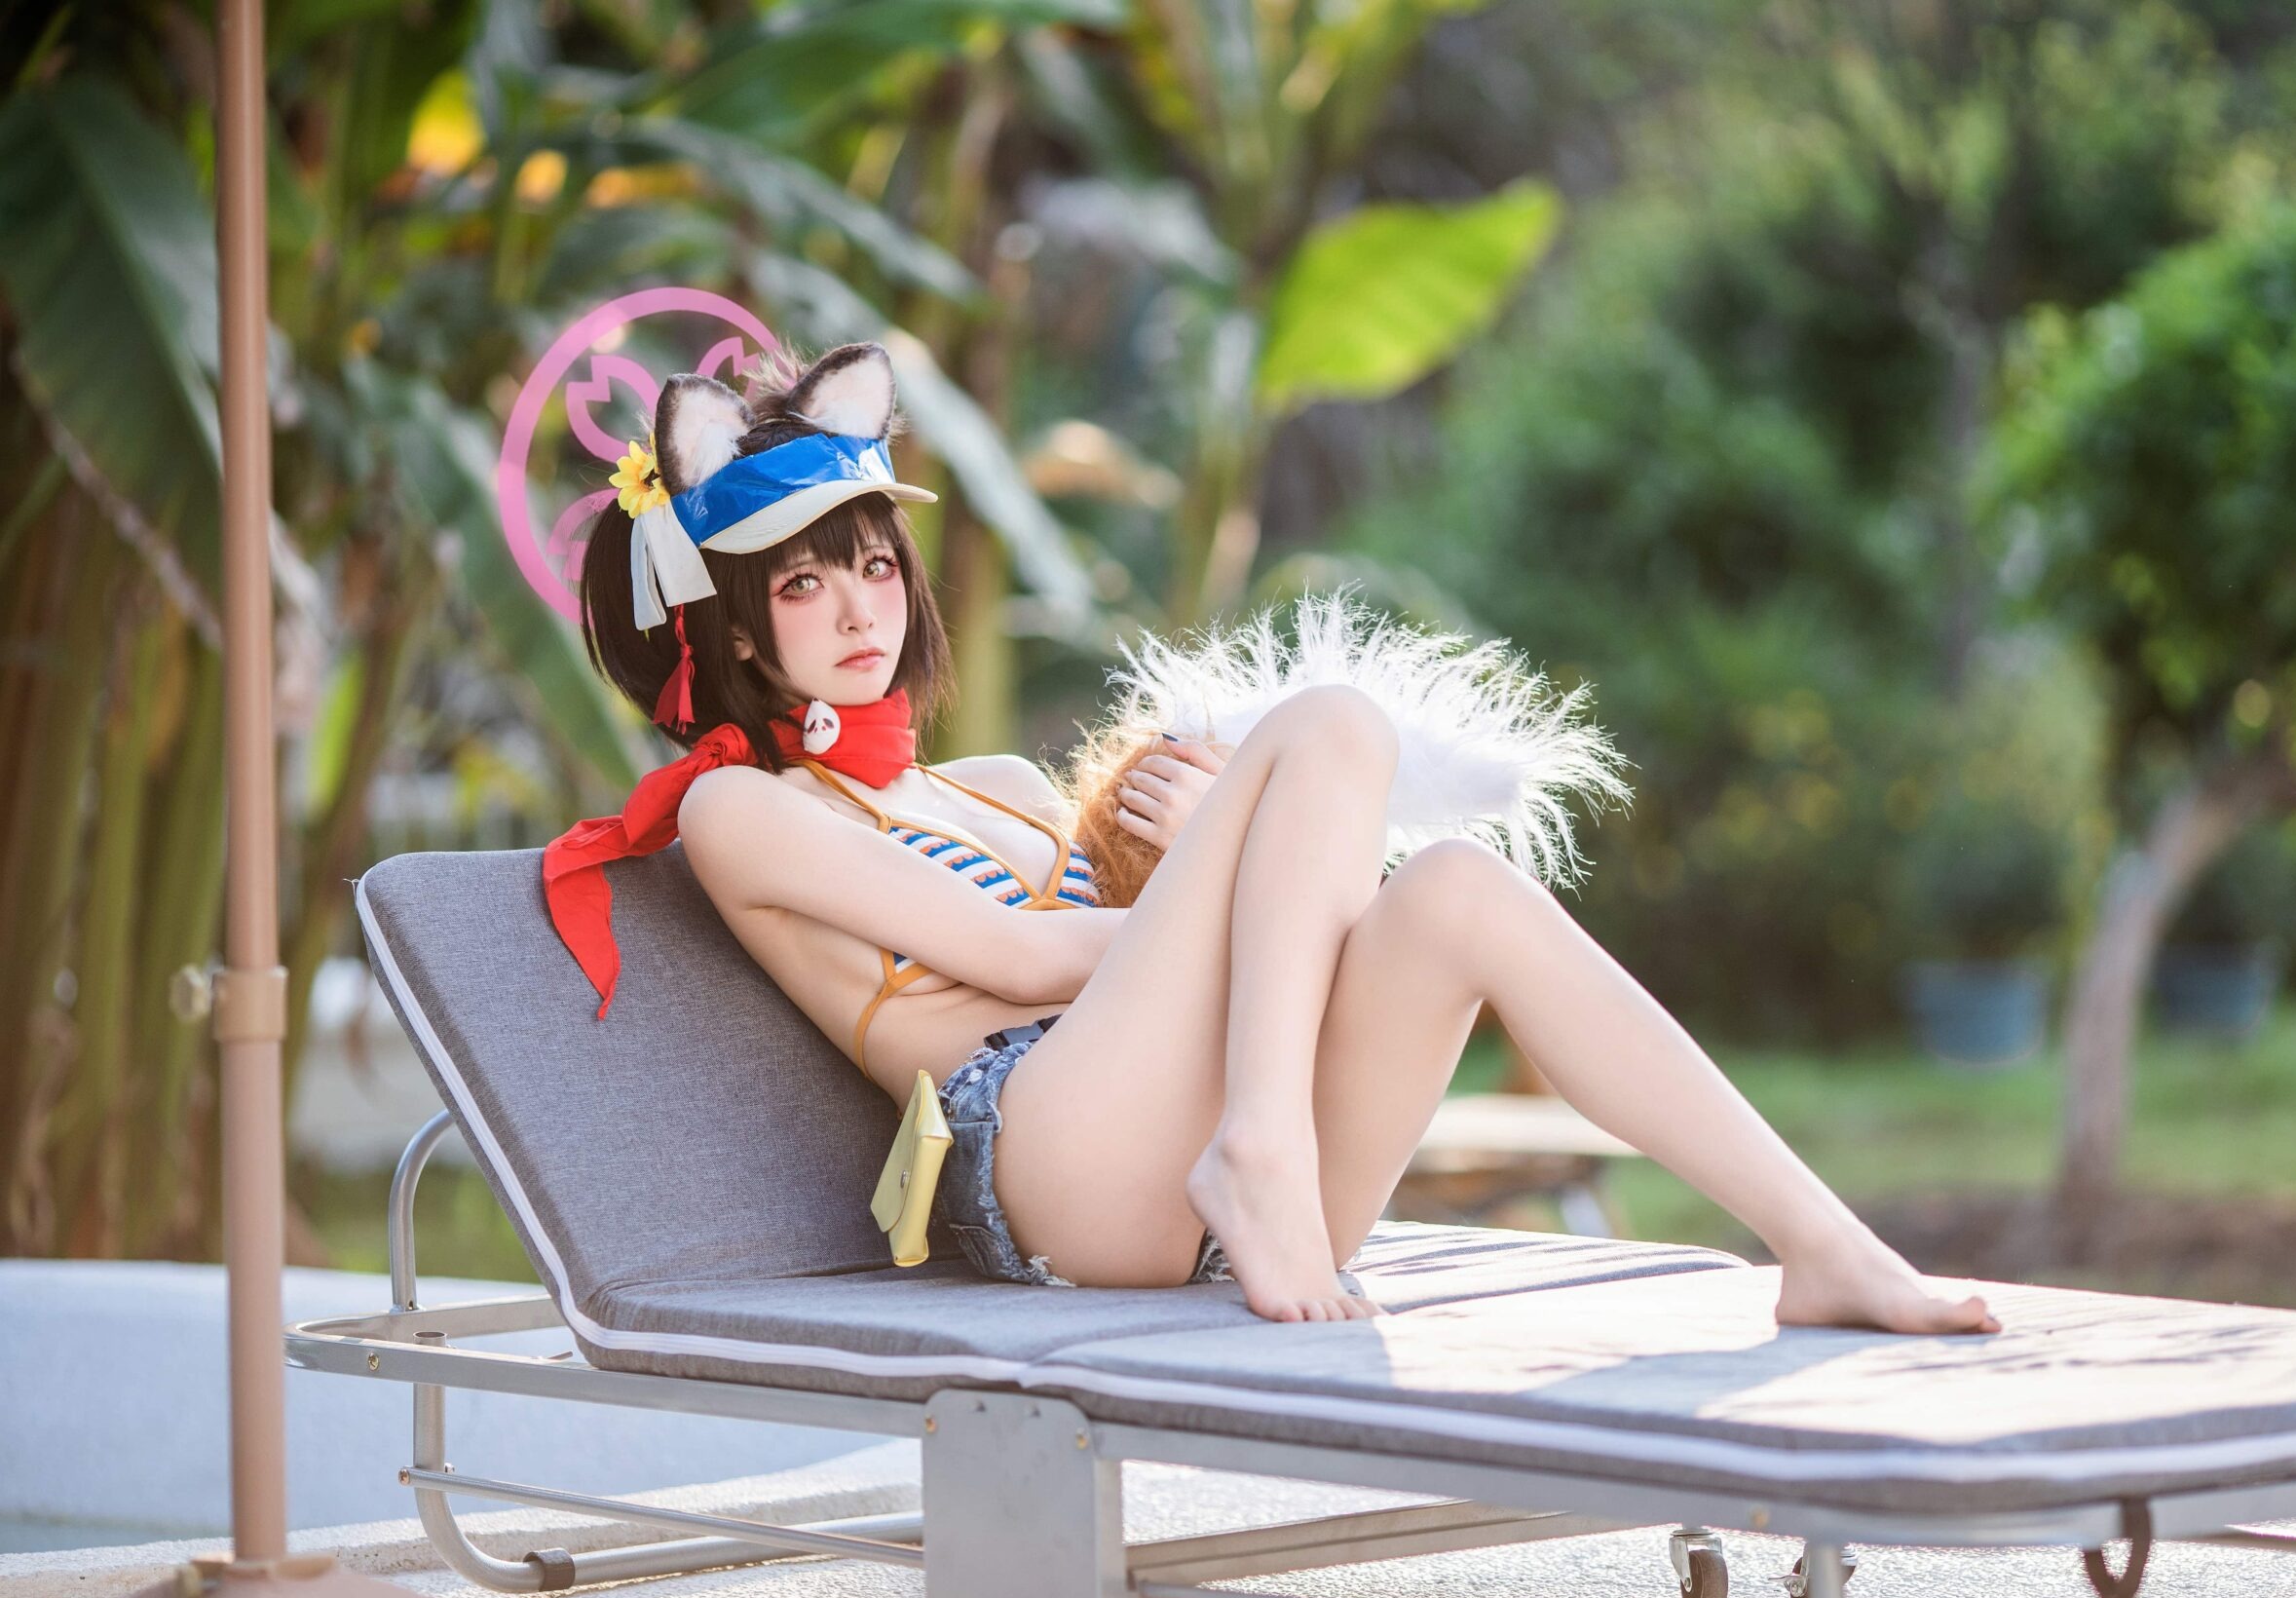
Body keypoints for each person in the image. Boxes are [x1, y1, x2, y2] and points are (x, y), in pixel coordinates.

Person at [546, 340, 1999, 1333]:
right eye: (804, 585)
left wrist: (1221, 871)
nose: (860, 609)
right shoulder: (741, 810)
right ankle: (1260, 1149)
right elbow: (1021, 959)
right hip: (1051, 1165)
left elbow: (1177, 959)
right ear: (738, 629)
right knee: (1334, 723)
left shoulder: (988, 782)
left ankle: (1821, 1243)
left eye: (873, 566)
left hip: (1176, 1143)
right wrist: (1235, 889)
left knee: (1453, 889)